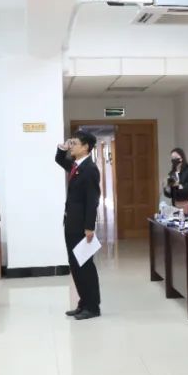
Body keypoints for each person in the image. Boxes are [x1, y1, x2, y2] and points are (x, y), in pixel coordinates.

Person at [56, 132, 102, 320]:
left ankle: (92, 307)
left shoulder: (90, 169)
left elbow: (92, 200)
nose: (71, 146)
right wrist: (62, 148)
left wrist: (89, 227)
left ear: (85, 147)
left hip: (82, 225)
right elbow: (60, 159)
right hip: (71, 223)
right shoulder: (77, 166)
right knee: (75, 266)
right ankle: (83, 302)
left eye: (75, 143)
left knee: (85, 266)